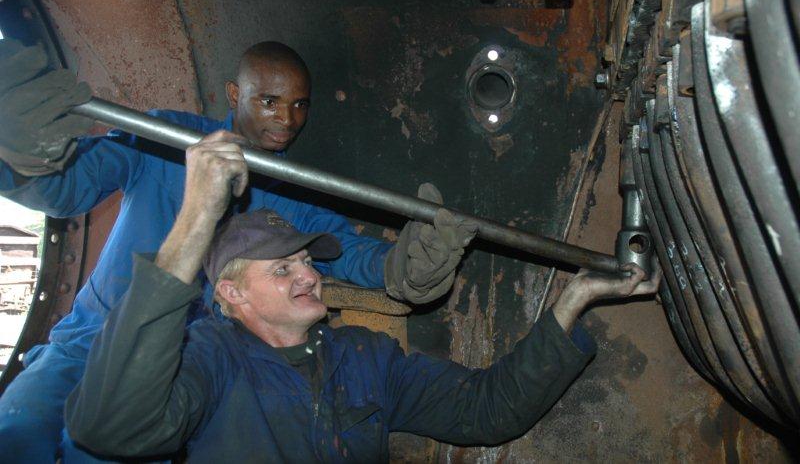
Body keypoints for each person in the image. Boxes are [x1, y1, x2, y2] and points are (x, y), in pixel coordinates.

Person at [65, 104, 661, 462]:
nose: (308, 274)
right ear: (232, 294)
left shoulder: (365, 359)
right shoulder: (210, 361)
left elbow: (488, 411)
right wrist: (196, 214)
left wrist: (573, 301)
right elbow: (110, 427)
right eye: (282, 268)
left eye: (306, 261)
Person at [0, 39, 473, 461]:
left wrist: (402, 268)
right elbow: (66, 191)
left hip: (175, 367)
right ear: (234, 95)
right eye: (269, 101)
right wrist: (27, 154)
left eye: (299, 105)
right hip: (85, 342)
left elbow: (348, 251)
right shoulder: (169, 138)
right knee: (15, 432)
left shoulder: (296, 190)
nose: (286, 121)